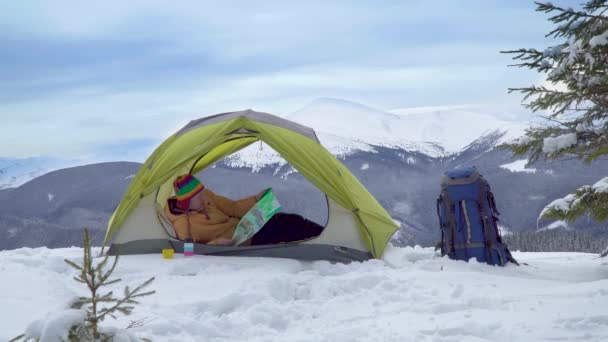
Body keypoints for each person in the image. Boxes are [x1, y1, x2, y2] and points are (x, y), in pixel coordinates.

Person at [164, 174, 323, 246]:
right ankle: (323, 241)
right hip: (242, 241)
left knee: (286, 219)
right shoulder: (182, 224)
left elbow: (233, 208)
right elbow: (189, 251)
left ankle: (322, 234)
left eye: (202, 193)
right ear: (185, 203)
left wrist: (256, 198)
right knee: (285, 226)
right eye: (197, 197)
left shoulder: (207, 196)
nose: (203, 199)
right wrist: (215, 243)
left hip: (247, 226)